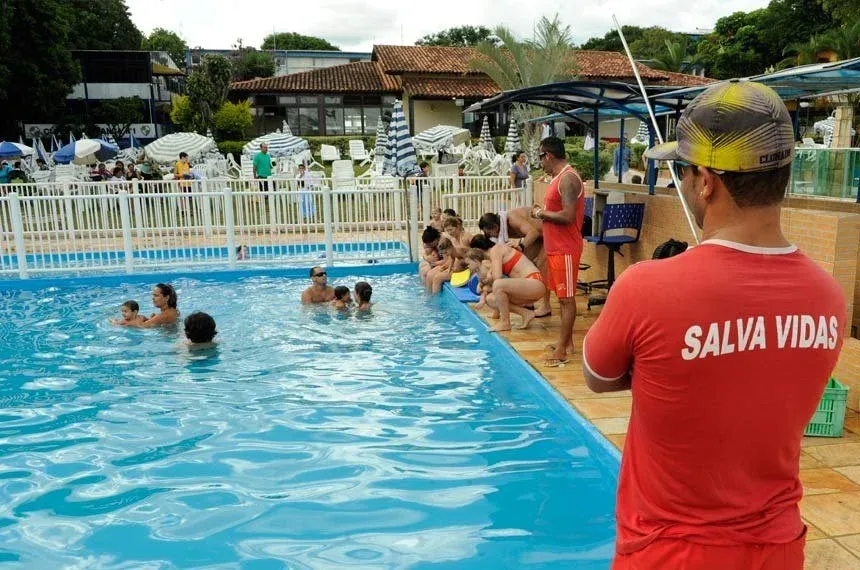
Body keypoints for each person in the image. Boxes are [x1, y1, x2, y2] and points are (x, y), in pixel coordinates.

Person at [582, 82, 846, 570]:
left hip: (670, 551)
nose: (681, 184)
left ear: (705, 181)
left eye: (682, 172)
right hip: (778, 549)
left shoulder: (646, 288)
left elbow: (598, 377)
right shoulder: (829, 298)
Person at [531, 136, 585, 366]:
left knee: (567, 299)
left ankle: (562, 349)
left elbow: (568, 216)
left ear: (548, 155)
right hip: (556, 248)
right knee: (561, 298)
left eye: (540, 157)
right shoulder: (558, 178)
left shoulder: (568, 179)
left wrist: (540, 213)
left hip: (566, 248)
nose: (540, 162)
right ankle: (567, 343)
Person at [478, 208, 550, 317]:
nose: (490, 237)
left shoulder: (512, 219)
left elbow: (533, 232)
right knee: (525, 260)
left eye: (489, 234)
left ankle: (546, 306)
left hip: (549, 233)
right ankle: (528, 301)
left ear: (495, 226)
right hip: (539, 236)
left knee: (541, 264)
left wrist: (521, 246)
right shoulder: (502, 227)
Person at [470, 235, 546, 332]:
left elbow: (497, 277)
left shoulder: (496, 250)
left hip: (534, 282)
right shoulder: (494, 255)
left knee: (498, 284)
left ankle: (505, 323)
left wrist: (485, 281)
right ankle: (525, 313)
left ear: (477, 250)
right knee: (491, 299)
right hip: (527, 288)